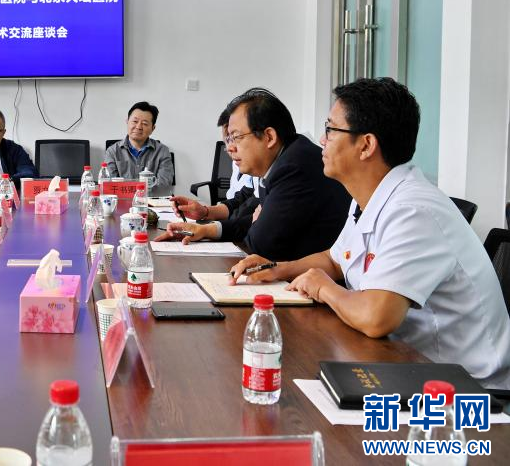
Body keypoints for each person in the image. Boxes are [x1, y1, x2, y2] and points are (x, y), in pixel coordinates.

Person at [230, 78, 510, 388]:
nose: (322, 140)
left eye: (331, 130)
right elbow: (335, 259)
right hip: (403, 363)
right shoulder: (370, 196)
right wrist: (277, 268)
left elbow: (376, 318)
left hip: (465, 389)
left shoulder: (414, 211)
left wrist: (323, 288)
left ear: (366, 145)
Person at [163, 88, 350, 260]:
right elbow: (257, 219)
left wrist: (257, 222)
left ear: (269, 137)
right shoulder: (283, 159)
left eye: (236, 137)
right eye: (229, 139)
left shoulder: (294, 166)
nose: (230, 148)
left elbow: (261, 244)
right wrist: (205, 230)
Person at [103, 101, 174, 186]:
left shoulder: (162, 151)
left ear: (153, 128)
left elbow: (164, 184)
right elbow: (110, 184)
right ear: (127, 121)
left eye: (144, 123)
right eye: (135, 121)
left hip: (152, 195)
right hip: (123, 195)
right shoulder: (112, 151)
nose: (138, 127)